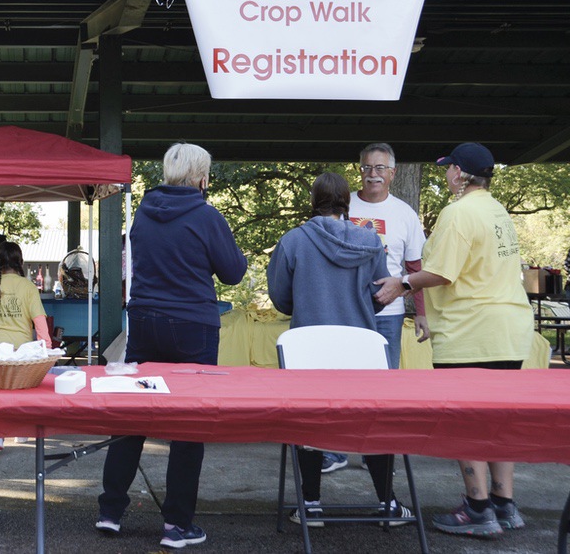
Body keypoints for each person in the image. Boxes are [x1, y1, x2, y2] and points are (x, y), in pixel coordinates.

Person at [374, 143, 532, 537]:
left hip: (471, 330)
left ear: (460, 174)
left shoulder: (458, 212)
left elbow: (441, 271)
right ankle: (504, 504)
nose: (446, 176)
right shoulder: (498, 212)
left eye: (448, 169)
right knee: (498, 421)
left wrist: (402, 283)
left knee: (467, 421)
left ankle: (478, 509)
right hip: (509, 328)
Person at [96, 143, 247, 550]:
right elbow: (233, 272)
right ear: (202, 178)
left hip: (145, 321)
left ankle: (110, 511)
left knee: (133, 414)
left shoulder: (144, 214)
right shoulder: (206, 215)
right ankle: (177, 526)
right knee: (188, 423)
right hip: (193, 325)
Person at [267, 172, 414, 528]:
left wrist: (307, 303)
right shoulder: (369, 241)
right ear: (347, 202)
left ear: (313, 201)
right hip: (360, 348)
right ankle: (387, 504)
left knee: (308, 424)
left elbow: (280, 298)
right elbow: (381, 293)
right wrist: (357, 310)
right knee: (371, 422)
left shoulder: (294, 241)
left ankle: (312, 505)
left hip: (308, 350)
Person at [318, 142, 427, 474]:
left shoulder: (405, 214)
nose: (373, 175)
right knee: (339, 384)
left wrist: (420, 311)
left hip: (388, 316)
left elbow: (415, 265)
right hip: (345, 312)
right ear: (359, 170)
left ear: (392, 173)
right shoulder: (343, 206)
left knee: (381, 388)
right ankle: (335, 451)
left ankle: (374, 452)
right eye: (367, 168)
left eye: (380, 168)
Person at [0, 241, 52, 454]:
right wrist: (47, 349)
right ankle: (20, 430)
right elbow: (40, 322)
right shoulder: (28, 287)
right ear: (20, 262)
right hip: (22, 353)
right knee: (20, 391)